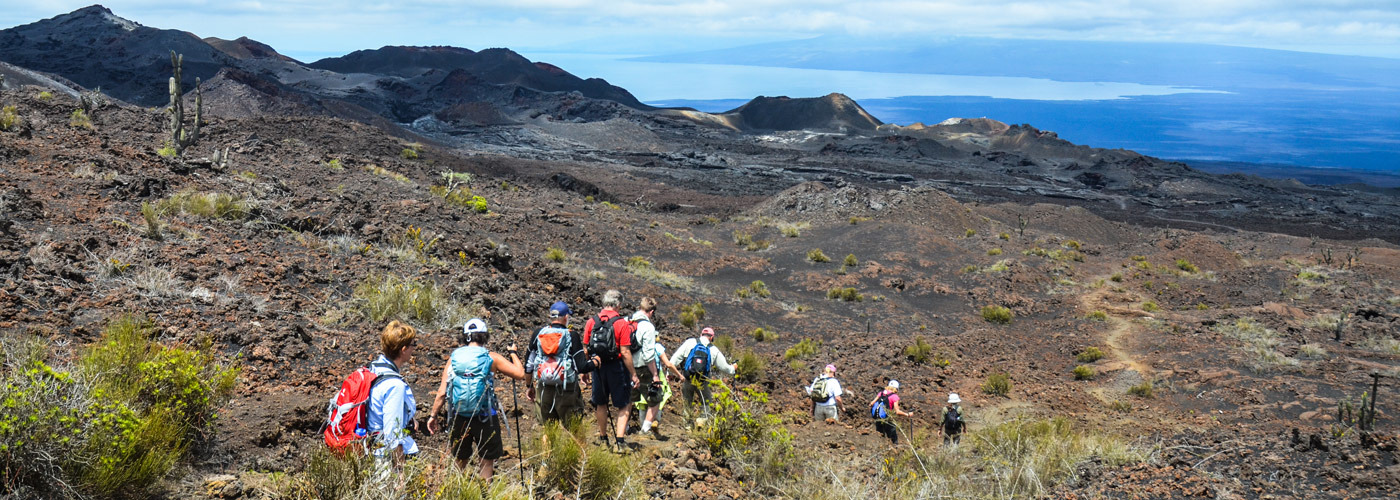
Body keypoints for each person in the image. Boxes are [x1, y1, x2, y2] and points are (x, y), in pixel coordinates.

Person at [426, 318, 526, 481]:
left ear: (465, 336)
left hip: (459, 416)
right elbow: (520, 374)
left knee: (459, 459)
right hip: (486, 416)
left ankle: (456, 491)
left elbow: (442, 392)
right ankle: (485, 492)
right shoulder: (491, 357)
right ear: (484, 336)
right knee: (486, 460)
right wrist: (513, 353)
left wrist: (433, 416)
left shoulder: (454, 358)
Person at [583, 290, 639, 451]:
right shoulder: (621, 323)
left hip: (597, 366)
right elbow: (626, 352)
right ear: (618, 305)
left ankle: (603, 438)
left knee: (600, 403)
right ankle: (620, 442)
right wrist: (633, 374)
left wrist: (586, 370)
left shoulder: (591, 322)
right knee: (624, 404)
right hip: (617, 367)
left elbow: (585, 349)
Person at [524, 301, 596, 425]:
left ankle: (547, 445)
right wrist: (596, 362)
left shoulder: (538, 334)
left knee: (546, 430)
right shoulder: (571, 335)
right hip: (566, 390)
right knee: (574, 429)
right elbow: (582, 367)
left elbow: (529, 364)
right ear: (566, 317)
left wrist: (529, 386)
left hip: (544, 388)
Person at [367, 320, 419, 466]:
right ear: (403, 349)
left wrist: (407, 417)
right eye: (412, 345)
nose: (414, 349)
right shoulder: (395, 385)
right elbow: (393, 434)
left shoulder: (373, 368)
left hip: (369, 448)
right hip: (384, 460)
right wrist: (399, 471)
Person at [669, 326, 735, 411]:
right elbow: (725, 368)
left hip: (688, 378)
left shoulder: (689, 342)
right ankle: (702, 421)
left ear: (701, 335)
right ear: (711, 338)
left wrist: (669, 373)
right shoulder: (713, 349)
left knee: (687, 404)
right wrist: (733, 368)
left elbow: (674, 360)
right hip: (703, 380)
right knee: (706, 402)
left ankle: (687, 423)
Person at [870, 379, 912, 445]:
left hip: (877, 417)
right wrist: (907, 414)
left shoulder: (881, 393)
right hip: (887, 417)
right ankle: (895, 447)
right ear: (896, 388)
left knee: (880, 434)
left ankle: (881, 447)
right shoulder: (894, 397)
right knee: (893, 434)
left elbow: (872, 403)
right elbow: (897, 411)